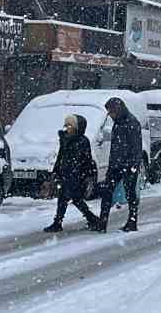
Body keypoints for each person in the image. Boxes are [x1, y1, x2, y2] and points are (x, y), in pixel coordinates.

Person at [45, 113, 103, 232]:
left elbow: (85, 160)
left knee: (76, 199)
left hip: (76, 176)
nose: (67, 128)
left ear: (77, 127)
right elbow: (60, 156)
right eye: (66, 125)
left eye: (70, 126)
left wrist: (84, 176)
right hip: (65, 174)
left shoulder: (82, 141)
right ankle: (59, 222)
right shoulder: (65, 139)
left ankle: (92, 219)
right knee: (64, 199)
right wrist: (56, 171)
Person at [97, 97, 142, 233]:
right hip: (116, 165)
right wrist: (112, 165)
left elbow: (136, 147)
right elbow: (116, 147)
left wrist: (132, 166)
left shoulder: (132, 123)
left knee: (130, 194)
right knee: (107, 192)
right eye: (109, 112)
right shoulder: (117, 122)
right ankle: (102, 223)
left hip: (128, 165)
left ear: (118, 110)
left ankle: (132, 221)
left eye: (111, 112)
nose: (110, 115)